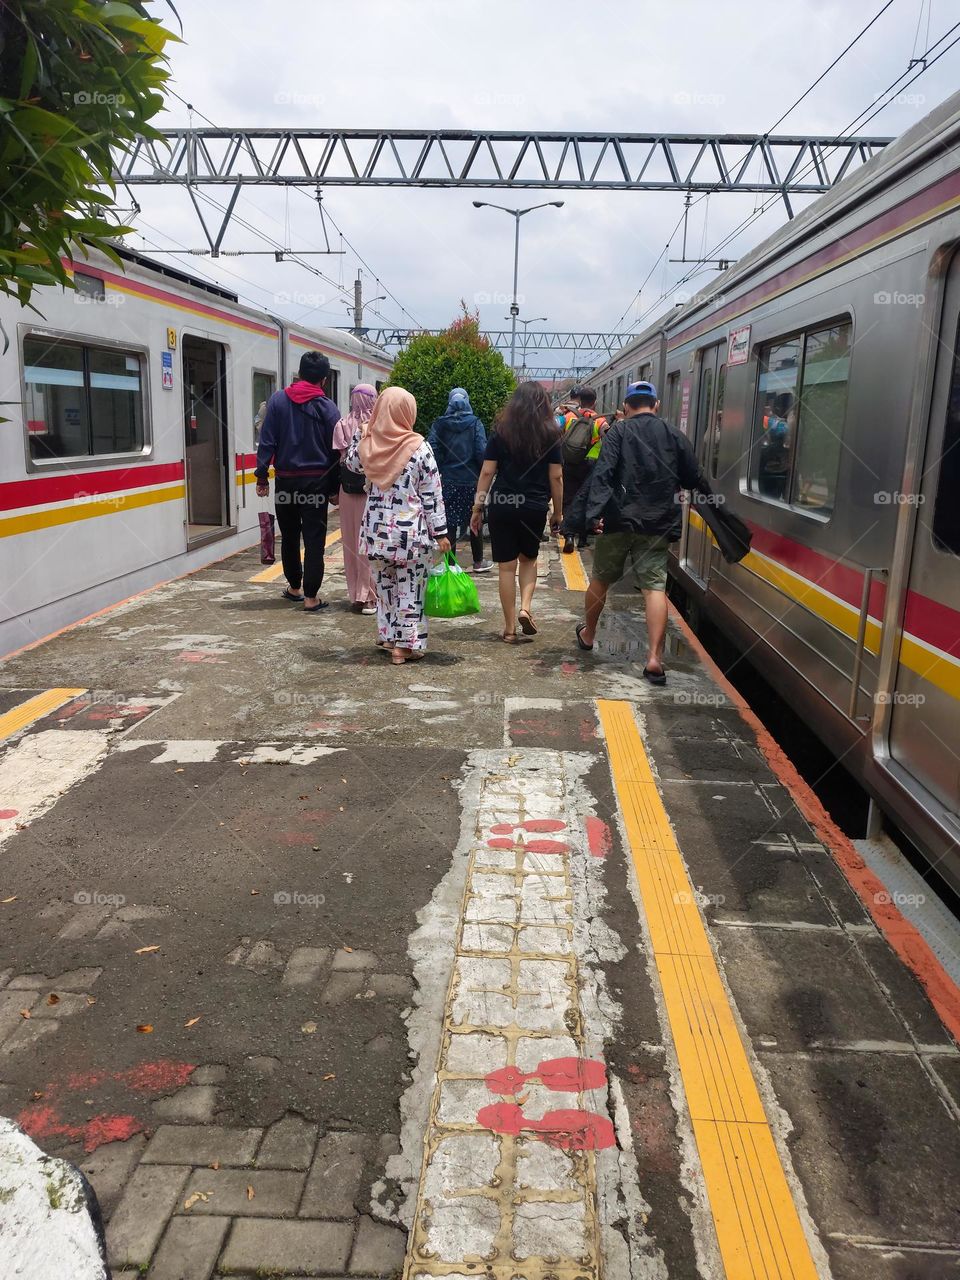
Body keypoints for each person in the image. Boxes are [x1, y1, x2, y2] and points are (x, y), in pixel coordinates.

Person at [574, 381, 703, 685]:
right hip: (657, 523)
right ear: (656, 405)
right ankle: (655, 659)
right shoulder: (673, 434)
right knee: (655, 588)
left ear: (627, 407)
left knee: (601, 579)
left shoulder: (618, 431)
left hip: (618, 520)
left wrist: (593, 516)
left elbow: (603, 474)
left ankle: (589, 635)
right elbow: (691, 476)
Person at [346, 387, 450, 665]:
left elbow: (351, 464)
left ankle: (389, 637)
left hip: (375, 534)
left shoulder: (369, 443)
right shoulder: (420, 447)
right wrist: (440, 532)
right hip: (410, 535)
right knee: (410, 590)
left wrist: (362, 434)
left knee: (385, 589)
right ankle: (404, 647)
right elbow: (432, 495)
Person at [470, 382, 563, 643]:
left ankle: (509, 629)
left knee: (506, 568)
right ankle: (526, 608)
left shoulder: (501, 432)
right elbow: (556, 477)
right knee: (528, 561)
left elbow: (487, 472)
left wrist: (477, 507)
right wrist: (558, 512)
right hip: (533, 506)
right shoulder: (551, 434)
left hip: (502, 504)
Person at [255, 351, 341, 611]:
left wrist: (262, 476)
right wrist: (334, 488)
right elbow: (338, 452)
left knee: (290, 536)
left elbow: (267, 440)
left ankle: (294, 587)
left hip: (286, 482)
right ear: (324, 380)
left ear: (299, 374)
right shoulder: (328, 408)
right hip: (316, 484)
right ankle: (311, 598)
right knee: (314, 540)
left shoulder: (278, 401)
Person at [426, 388, 493, 574]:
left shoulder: (440, 424)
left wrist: (441, 466)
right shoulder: (475, 423)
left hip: (447, 481)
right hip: (471, 481)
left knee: (449, 523)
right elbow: (481, 451)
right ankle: (478, 561)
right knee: (475, 519)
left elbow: (432, 448)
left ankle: (450, 564)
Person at [332, 383, 378, 614]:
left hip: (347, 492)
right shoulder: (379, 425)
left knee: (351, 544)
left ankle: (356, 596)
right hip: (373, 492)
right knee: (369, 545)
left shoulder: (342, 424)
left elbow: (342, 460)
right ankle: (370, 596)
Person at [560, 385, 607, 553]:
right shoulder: (600, 420)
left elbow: (557, 434)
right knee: (586, 499)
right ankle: (583, 538)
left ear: (579, 400)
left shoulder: (569, 417)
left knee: (569, 498)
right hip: (591, 464)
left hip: (571, 463)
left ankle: (569, 535)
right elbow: (608, 436)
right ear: (594, 402)